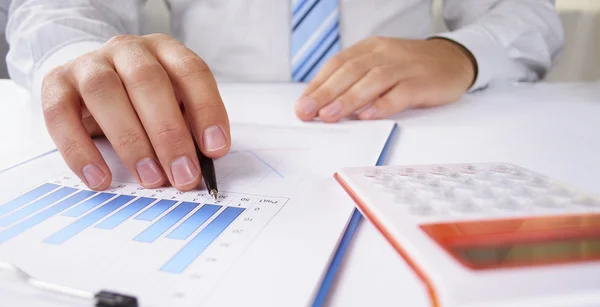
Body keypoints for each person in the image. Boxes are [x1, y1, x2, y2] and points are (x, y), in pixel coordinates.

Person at [4, 0, 563, 192]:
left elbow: (525, 13)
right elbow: (62, 7)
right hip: (211, 121)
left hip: (421, 124)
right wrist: (78, 60)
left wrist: (459, 53)